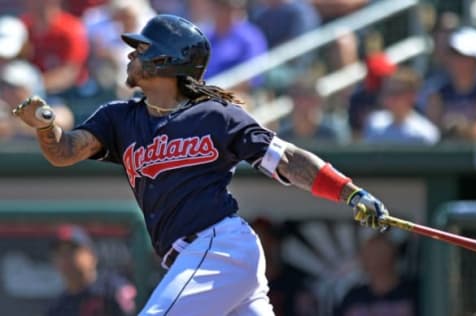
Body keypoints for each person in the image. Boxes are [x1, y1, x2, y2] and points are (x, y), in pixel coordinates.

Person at [12, 14, 390, 316]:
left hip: (218, 245)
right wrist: (46, 127)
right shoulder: (119, 118)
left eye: (140, 49)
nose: (129, 55)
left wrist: (348, 190)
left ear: (165, 60)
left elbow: (287, 158)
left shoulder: (216, 115)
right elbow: (64, 152)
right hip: (199, 259)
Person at [46, 224, 137, 316]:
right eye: (60, 253)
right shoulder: (58, 306)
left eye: (71, 251)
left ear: (91, 255)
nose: (66, 258)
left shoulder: (113, 289)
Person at [334, 233, 418, 316]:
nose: (373, 260)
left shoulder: (413, 292)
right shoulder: (353, 297)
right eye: (368, 255)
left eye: (378, 254)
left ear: (391, 256)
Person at [363, 66, 440, 145]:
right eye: (388, 92)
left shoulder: (425, 133)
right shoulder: (373, 122)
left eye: (396, 93)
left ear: (412, 96)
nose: (390, 98)